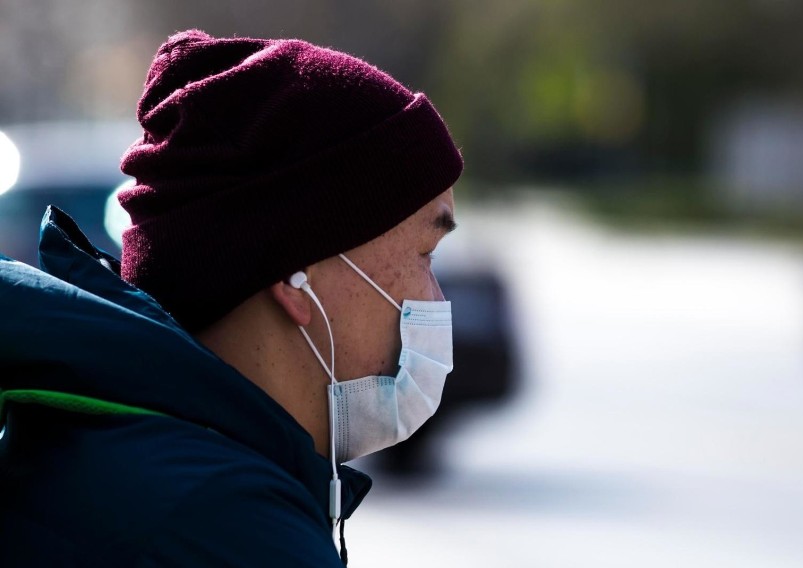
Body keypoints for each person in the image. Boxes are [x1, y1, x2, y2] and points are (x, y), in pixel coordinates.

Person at [0, 29, 462, 567]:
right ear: (298, 275)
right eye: (426, 254)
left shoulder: (130, 457)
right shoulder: (226, 531)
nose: (437, 296)